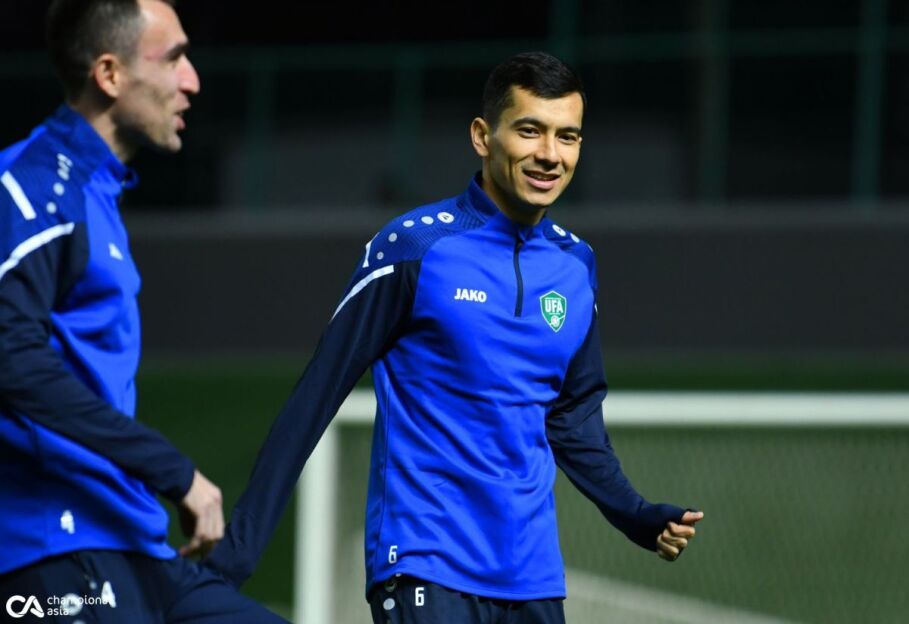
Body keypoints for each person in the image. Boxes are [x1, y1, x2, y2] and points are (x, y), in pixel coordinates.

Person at [206, 51, 704, 623]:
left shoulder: (576, 265)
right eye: (530, 130)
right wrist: (232, 559)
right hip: (426, 565)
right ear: (482, 137)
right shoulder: (414, 248)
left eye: (567, 136)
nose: (550, 154)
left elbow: (573, 420)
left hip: (533, 580)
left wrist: (634, 514)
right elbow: (314, 398)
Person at [0, 1, 286, 622]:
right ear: (109, 74)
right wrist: (174, 472)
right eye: (174, 57)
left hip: (134, 545)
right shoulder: (32, 188)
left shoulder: (94, 192)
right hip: (56, 546)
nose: (192, 81)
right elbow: (10, 358)